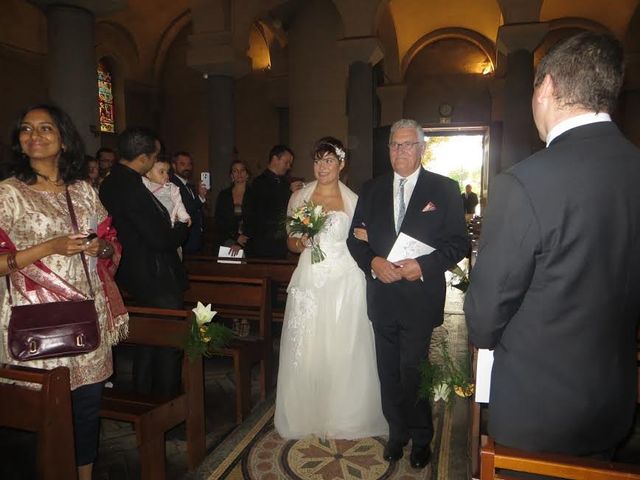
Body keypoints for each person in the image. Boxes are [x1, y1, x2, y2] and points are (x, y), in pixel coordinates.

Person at [464, 31, 640, 463]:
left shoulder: (523, 183)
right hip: (613, 402)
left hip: (538, 415)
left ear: (546, 87)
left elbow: (484, 320)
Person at [0, 104, 127, 480]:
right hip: (33, 319)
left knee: (86, 409)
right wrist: (48, 247)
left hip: (88, 315)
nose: (33, 136)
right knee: (38, 416)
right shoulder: (8, 194)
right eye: (26, 129)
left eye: (45, 129)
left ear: (64, 140)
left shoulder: (84, 191)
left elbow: (111, 245)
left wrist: (99, 248)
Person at [347, 119, 468, 469]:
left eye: (407, 145)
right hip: (382, 296)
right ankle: (396, 433)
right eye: (394, 145)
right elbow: (355, 239)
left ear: (422, 148)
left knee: (412, 370)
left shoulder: (444, 189)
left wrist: (425, 266)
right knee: (388, 371)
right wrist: (373, 262)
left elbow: (458, 243)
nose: (399, 151)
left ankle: (421, 436)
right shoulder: (371, 189)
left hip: (418, 296)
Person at [275, 137, 388, 440]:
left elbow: (364, 238)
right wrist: (300, 242)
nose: (322, 167)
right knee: (308, 344)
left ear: (341, 164)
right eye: (317, 160)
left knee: (344, 344)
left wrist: (368, 236)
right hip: (310, 277)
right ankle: (305, 410)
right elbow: (290, 239)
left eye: (329, 161)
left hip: (346, 280)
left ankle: (345, 412)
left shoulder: (354, 200)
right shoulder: (300, 197)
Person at [100, 127, 189, 396]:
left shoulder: (111, 182)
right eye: (155, 155)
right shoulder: (129, 186)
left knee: (148, 342)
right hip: (153, 275)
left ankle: (144, 394)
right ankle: (166, 401)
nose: (156, 161)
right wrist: (182, 228)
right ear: (143, 157)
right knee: (167, 341)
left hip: (134, 273)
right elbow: (159, 238)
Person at [244, 145, 303, 259]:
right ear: (275, 159)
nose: (289, 167)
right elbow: (265, 209)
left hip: (281, 243)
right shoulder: (258, 183)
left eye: (290, 163)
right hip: (262, 243)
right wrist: (289, 192)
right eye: (286, 162)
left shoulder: (285, 182)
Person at [170, 151, 208, 254]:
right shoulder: (172, 185)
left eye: (189, 164)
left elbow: (197, 212)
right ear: (174, 166)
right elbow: (183, 211)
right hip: (185, 241)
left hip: (195, 240)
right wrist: (200, 198)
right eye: (182, 164)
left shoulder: (190, 186)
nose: (187, 167)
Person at [214, 160, 251, 255]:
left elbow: (257, 219)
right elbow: (220, 220)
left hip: (250, 239)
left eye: (242, 170)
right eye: (235, 171)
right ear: (231, 176)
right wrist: (236, 237)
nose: (239, 173)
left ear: (247, 174)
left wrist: (243, 239)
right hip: (228, 238)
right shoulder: (224, 195)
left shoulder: (255, 194)